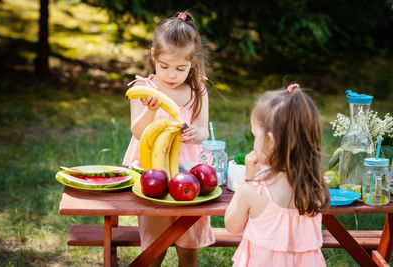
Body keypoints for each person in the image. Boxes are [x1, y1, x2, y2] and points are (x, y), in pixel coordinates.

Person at [122, 11, 214, 267]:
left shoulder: (198, 90)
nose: (171, 74)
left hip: (188, 170)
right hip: (152, 170)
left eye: (180, 68)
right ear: (153, 56)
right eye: (164, 66)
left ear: (192, 63)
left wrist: (197, 133)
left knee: (188, 241)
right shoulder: (143, 89)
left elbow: (203, 129)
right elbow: (139, 133)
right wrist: (150, 109)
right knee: (156, 243)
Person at [225, 84, 330, 266]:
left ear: (272, 141)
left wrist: (246, 179)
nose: (255, 142)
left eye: (255, 135)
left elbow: (232, 226)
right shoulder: (317, 186)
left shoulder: (253, 190)